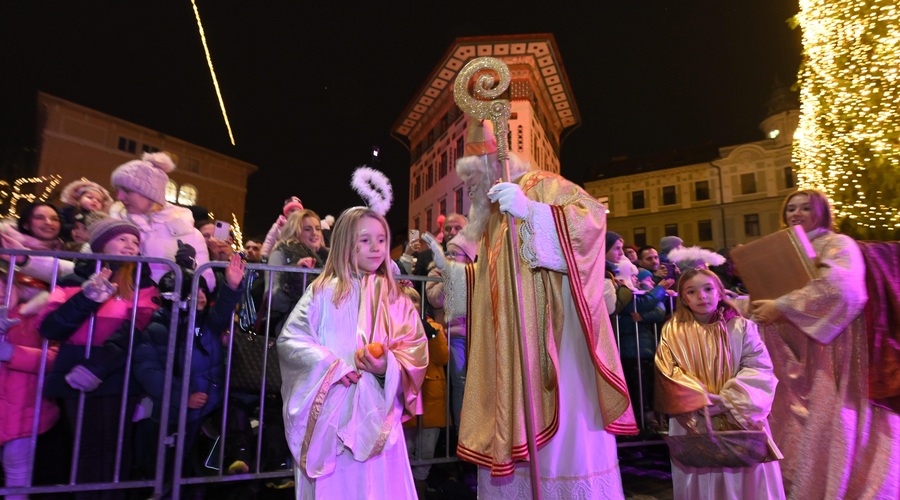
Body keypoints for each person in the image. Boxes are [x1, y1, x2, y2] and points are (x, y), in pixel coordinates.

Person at [424, 117, 636, 497]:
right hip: (514, 352)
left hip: (559, 348)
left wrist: (533, 213)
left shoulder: (545, 187)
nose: (468, 190)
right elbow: (495, 287)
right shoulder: (492, 221)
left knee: (564, 447)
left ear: (491, 167)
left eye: (471, 180)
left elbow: (591, 224)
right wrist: (455, 276)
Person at [750, 189, 900, 499]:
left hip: (833, 352)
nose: (797, 213)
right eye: (791, 208)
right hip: (796, 353)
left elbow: (844, 289)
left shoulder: (837, 244)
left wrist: (781, 306)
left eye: (806, 207)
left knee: (833, 424)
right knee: (795, 425)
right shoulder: (783, 249)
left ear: (822, 212)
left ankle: (839, 487)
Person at [277, 206, 428, 499]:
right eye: (364, 240)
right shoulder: (322, 292)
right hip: (333, 416)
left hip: (377, 414)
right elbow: (292, 340)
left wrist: (387, 366)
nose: (376, 247)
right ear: (346, 243)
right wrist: (331, 367)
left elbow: (415, 348)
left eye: (382, 239)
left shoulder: (395, 297)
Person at [37, 218, 159, 499]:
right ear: (102, 243)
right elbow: (50, 328)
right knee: (86, 446)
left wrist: (100, 366)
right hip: (74, 370)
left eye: (134, 241)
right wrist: (88, 298)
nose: (130, 245)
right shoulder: (73, 281)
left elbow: (140, 327)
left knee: (116, 446)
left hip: (116, 371)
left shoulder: (141, 281)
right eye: (122, 239)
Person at [655, 268, 785, 499]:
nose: (701, 296)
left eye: (707, 289)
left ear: (719, 292)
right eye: (692, 291)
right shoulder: (672, 331)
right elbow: (668, 370)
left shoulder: (742, 327)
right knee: (701, 471)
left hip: (740, 414)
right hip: (693, 416)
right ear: (683, 297)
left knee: (746, 476)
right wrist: (698, 398)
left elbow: (758, 365)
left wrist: (729, 400)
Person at [133, 253, 244, 478]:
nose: (200, 296)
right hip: (175, 412)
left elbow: (222, 312)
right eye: (193, 291)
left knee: (195, 466)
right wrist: (183, 396)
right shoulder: (159, 327)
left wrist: (231, 286)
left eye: (203, 290)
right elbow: (149, 371)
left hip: (209, 406)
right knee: (169, 466)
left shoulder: (207, 322)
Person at [108, 151, 215, 289]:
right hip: (122, 307)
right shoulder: (112, 225)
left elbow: (208, 284)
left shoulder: (188, 232)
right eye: (117, 190)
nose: (119, 197)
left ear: (150, 193)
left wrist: (191, 267)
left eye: (127, 191)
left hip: (168, 308)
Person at [0, 281, 59, 500]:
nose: (1, 293)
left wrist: (12, 353)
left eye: (6, 285)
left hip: (23, 413)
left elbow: (55, 359)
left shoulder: (36, 319)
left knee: (17, 471)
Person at [401, 286, 448, 500]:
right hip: (405, 403)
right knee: (403, 454)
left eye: (415, 299)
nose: (411, 303)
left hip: (431, 400)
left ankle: (419, 494)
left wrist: (430, 332)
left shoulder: (435, 328)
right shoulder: (391, 328)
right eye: (406, 298)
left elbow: (442, 358)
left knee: (426, 455)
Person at [425, 233, 475, 431]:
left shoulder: (475, 273)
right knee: (460, 382)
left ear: (468, 257)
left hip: (475, 333)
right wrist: (449, 275)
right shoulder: (436, 271)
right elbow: (435, 299)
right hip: (451, 335)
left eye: (455, 253)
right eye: (448, 252)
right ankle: (460, 432)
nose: (450, 256)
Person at [263, 209, 329, 335]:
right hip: (293, 331)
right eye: (307, 229)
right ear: (295, 231)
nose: (315, 233)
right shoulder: (281, 253)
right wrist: (294, 277)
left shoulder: (330, 258)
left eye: (318, 228)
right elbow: (272, 300)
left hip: (324, 330)